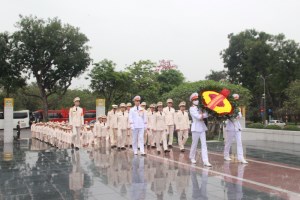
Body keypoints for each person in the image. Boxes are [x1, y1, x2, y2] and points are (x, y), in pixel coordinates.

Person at [189, 93, 212, 167]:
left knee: (204, 144)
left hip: (202, 127)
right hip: (195, 128)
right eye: (195, 100)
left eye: (197, 99)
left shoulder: (201, 107)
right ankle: (192, 157)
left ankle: (206, 161)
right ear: (192, 101)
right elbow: (198, 117)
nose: (196, 101)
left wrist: (208, 111)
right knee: (194, 144)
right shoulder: (191, 108)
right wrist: (204, 115)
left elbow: (207, 114)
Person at [224, 94, 248, 164]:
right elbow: (228, 116)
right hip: (230, 127)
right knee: (228, 142)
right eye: (235, 99)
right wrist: (232, 117)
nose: (236, 101)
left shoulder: (238, 108)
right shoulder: (228, 107)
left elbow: (240, 116)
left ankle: (241, 158)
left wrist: (237, 116)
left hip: (237, 127)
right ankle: (226, 155)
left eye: (237, 99)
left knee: (239, 142)